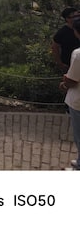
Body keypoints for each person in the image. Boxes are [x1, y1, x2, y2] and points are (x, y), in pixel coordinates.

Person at [60, 17, 80, 170]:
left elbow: (72, 80)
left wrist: (64, 83)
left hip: (78, 100)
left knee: (79, 135)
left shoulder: (77, 54)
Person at [52, 7, 80, 73]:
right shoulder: (62, 32)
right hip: (69, 64)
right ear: (67, 19)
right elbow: (55, 47)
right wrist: (60, 63)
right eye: (74, 16)